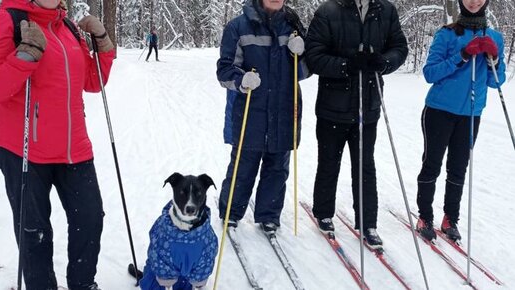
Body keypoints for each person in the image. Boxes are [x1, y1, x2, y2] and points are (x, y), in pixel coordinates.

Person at [0, 0, 115, 288]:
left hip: (74, 148)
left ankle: (83, 283)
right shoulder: (7, 21)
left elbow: (91, 80)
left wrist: (102, 44)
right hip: (24, 149)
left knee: (90, 218)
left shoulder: (68, 28)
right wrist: (25, 57)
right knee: (34, 232)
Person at [305, 0, 407, 247]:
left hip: (368, 104)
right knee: (329, 162)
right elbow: (314, 55)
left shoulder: (386, 10)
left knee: (365, 165)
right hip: (333, 106)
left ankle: (367, 221)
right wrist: (346, 65)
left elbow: (400, 47)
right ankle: (324, 212)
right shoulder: (328, 10)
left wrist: (384, 62)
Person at [415, 0, 505, 242]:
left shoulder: (495, 37)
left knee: (458, 168)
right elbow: (430, 73)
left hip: (471, 113)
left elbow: (497, 81)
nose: (474, 2)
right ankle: (424, 215)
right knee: (432, 164)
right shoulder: (446, 34)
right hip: (439, 110)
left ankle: (450, 219)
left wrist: (493, 59)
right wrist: (463, 55)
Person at [216, 0, 308, 234]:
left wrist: (300, 54)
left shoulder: (293, 26)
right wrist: (241, 80)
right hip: (250, 111)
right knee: (243, 165)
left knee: (277, 167)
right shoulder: (238, 27)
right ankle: (231, 212)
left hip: (285, 109)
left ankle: (269, 214)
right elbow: (224, 70)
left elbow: (305, 71)